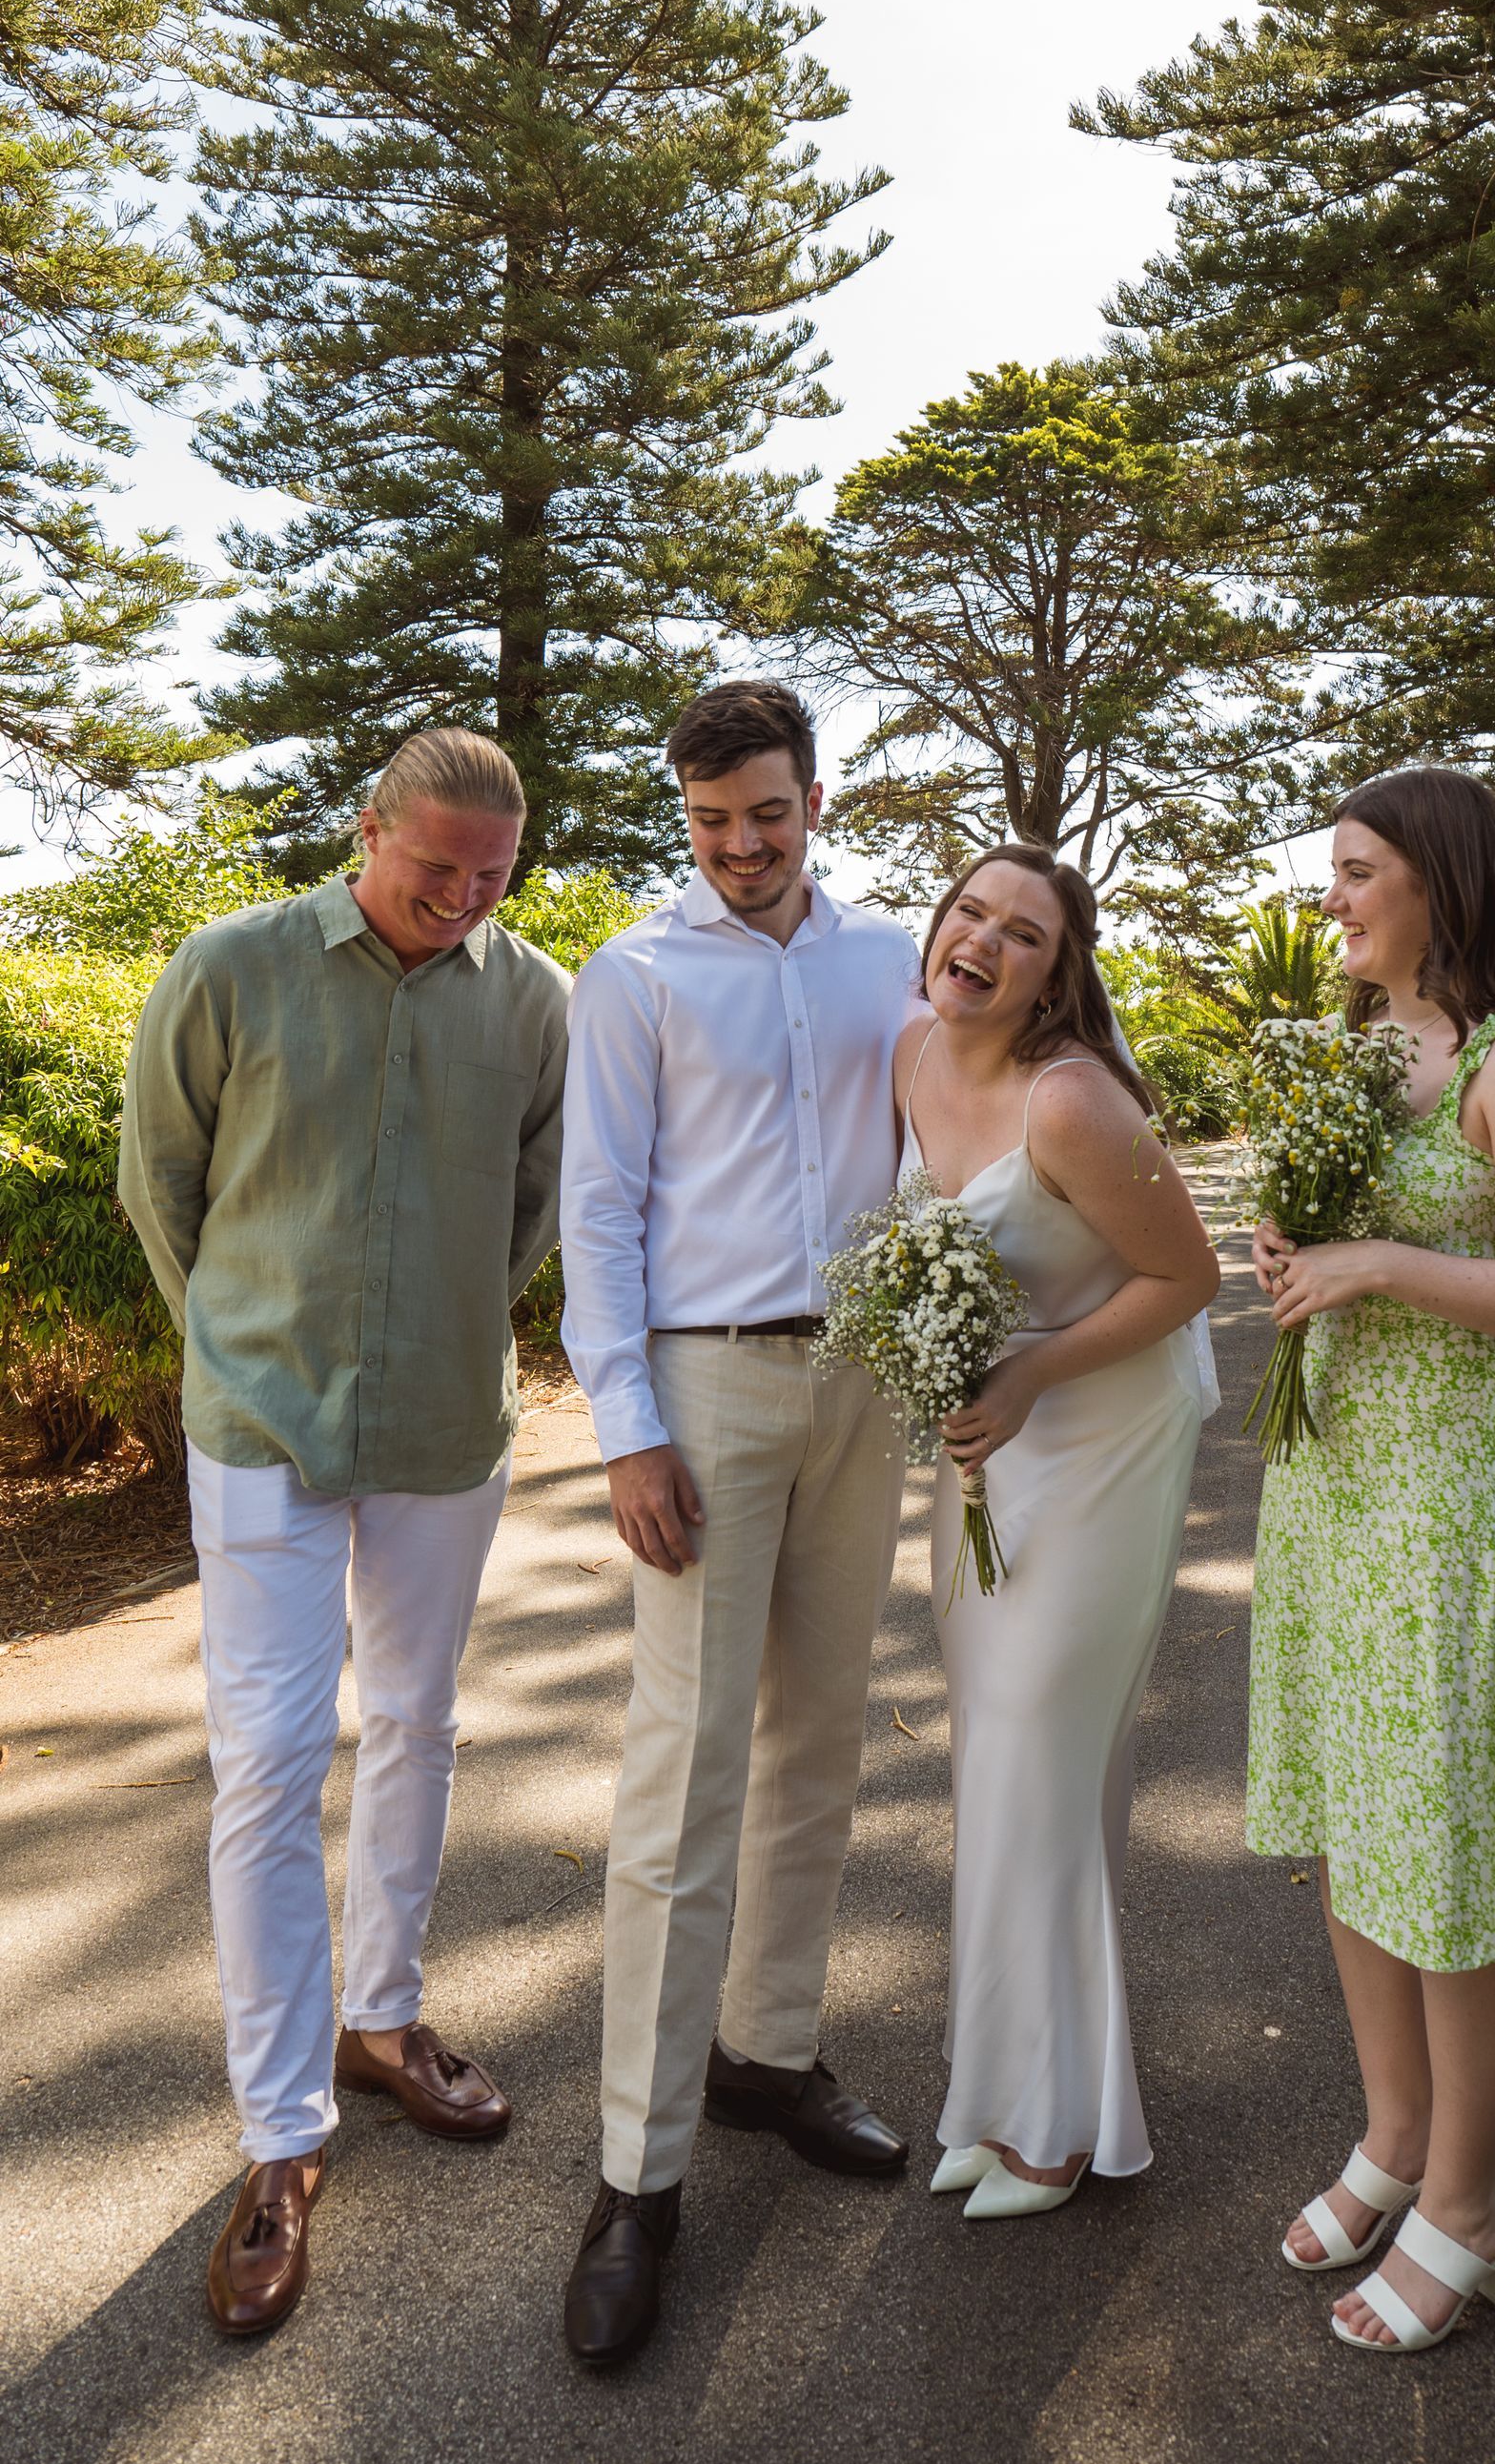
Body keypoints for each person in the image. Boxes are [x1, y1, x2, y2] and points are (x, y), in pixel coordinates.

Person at [117, 728, 570, 2336]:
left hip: (447, 1424)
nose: (456, 898)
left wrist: (453, 1324)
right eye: (430, 864)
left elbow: (536, 1196)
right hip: (261, 1428)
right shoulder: (230, 967)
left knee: (422, 1723)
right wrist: (235, 1340)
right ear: (365, 829)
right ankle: (280, 2138)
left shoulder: (535, 1001)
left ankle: (380, 2023)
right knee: (266, 1758)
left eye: (489, 878)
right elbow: (159, 1182)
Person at [557, 678, 924, 2371]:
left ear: (815, 798)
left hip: (862, 1386)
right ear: (685, 820)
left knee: (823, 1743)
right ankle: (641, 2171)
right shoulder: (630, 978)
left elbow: (947, 1149)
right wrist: (630, 1433)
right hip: (704, 1395)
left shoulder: (888, 958)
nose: (743, 847)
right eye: (711, 823)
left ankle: (769, 2054)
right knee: (682, 1770)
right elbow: (603, 1216)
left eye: (767, 813)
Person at [1247, 768, 1495, 2354]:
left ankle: (1474, 2201)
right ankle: (1394, 2136)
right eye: (1330, 871)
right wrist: (1294, 1260)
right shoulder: (1354, 1049)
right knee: (1355, 1819)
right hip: (1331, 1493)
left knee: (1448, 1844)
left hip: (1445, 1505)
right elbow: (1330, 1251)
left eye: (1355, 870)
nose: (1329, 896)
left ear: (1439, 881)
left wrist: (1383, 1262)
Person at [891, 844, 1219, 2220]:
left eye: (1021, 934)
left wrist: (1024, 1374)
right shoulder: (912, 1054)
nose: (982, 941)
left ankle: (1057, 2127)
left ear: (1054, 972)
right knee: (1007, 1769)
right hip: (988, 1455)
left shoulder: (1074, 1103)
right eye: (968, 911)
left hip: (1101, 1440)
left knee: (1036, 1748)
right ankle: (1004, 2088)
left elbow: (1188, 1276)